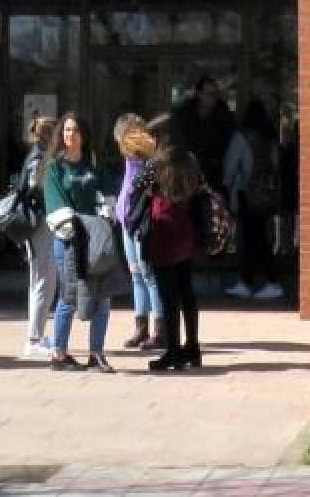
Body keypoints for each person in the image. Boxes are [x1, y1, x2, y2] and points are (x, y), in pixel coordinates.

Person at [41, 113, 122, 373]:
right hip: (69, 241)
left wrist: (104, 217)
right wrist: (74, 228)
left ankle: (96, 354)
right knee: (69, 297)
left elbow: (108, 197)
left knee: (103, 298)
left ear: (83, 135)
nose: (70, 135)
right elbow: (55, 205)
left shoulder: (93, 166)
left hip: (97, 240)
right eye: (66, 131)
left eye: (75, 130)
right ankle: (59, 353)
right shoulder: (54, 168)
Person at [138, 119, 205, 372]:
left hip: (163, 232)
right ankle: (193, 347)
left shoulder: (156, 164)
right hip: (186, 229)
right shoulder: (189, 159)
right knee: (187, 291)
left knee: (168, 295)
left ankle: (174, 351)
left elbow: (137, 188)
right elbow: (200, 188)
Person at [223, 99, 284, 300]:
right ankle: (254, 280)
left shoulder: (241, 137)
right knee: (259, 238)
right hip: (266, 194)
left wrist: (226, 186)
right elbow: (276, 166)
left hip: (246, 194)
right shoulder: (270, 137)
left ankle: (262, 281)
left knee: (251, 239)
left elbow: (231, 167)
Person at [114, 113, 164, 351]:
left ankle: (159, 328)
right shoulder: (129, 156)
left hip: (140, 219)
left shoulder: (148, 155)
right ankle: (140, 326)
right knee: (136, 274)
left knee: (149, 274)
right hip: (126, 219)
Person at [18, 115, 58, 359]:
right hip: (40, 225)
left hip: (40, 224)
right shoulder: (38, 158)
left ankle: (38, 335)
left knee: (44, 279)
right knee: (43, 279)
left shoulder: (39, 155)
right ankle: (34, 338)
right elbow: (38, 190)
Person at [171, 75, 235, 195]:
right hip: (186, 176)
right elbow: (178, 142)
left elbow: (226, 147)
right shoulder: (184, 115)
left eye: (215, 94)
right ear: (199, 94)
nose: (213, 98)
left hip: (213, 177)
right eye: (209, 94)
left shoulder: (223, 117)